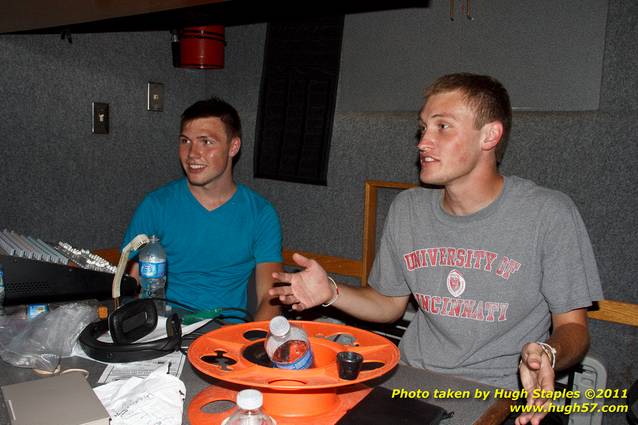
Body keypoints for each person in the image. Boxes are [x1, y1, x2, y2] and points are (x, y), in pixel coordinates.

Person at [270, 73, 603, 425]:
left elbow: (575, 329)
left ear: (489, 135)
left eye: (443, 126)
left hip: (501, 397)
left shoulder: (549, 213)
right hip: (411, 384)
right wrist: (331, 292)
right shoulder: (408, 209)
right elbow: (388, 304)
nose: (423, 142)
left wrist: (548, 354)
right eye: (423, 127)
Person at [122, 96, 282, 321]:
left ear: (233, 146)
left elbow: (270, 298)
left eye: (206, 142)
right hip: (164, 329)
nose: (192, 154)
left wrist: (249, 344)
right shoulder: (156, 205)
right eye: (185, 141)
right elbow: (128, 283)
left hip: (224, 339)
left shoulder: (260, 214)